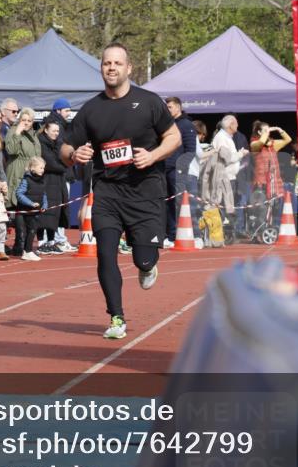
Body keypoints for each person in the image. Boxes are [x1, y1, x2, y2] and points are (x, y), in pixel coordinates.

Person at [60, 43, 181, 341]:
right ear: (101, 68)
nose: (111, 68)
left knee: (143, 260)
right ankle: (116, 316)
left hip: (145, 192)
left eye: (117, 63)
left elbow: (173, 136)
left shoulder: (150, 102)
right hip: (107, 193)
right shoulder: (91, 110)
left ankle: (147, 264)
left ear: (129, 69)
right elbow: (64, 146)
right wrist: (75, 155)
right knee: (105, 254)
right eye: (106, 63)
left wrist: (152, 156)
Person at [5, 108, 41, 256]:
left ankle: (26, 244)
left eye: (29, 121)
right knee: (20, 207)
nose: (26, 123)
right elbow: (11, 150)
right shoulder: (13, 131)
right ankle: (19, 244)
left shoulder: (34, 135)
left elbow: (38, 154)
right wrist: (18, 133)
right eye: (24, 120)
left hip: (31, 175)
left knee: (30, 209)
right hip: (18, 172)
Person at [163, 97, 197, 248]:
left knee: (179, 204)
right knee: (166, 204)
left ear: (178, 107)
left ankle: (192, 235)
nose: (167, 109)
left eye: (169, 107)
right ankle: (169, 236)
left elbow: (190, 150)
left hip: (178, 172)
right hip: (164, 171)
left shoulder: (186, 125)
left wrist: (180, 168)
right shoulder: (166, 125)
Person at [251, 121, 292, 225]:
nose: (268, 132)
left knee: (275, 207)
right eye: (265, 130)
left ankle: (273, 228)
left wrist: (280, 130)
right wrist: (266, 133)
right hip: (261, 183)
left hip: (274, 182)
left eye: (268, 130)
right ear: (259, 132)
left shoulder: (273, 145)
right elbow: (261, 142)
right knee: (262, 209)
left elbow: (288, 140)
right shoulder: (254, 144)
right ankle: (261, 229)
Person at [37, 120, 69, 253]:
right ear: (46, 130)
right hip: (45, 181)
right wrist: (64, 165)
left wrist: (63, 163)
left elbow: (63, 158)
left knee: (55, 213)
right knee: (44, 212)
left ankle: (51, 242)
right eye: (54, 131)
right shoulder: (40, 143)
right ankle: (41, 243)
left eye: (58, 131)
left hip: (57, 182)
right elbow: (50, 162)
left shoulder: (58, 143)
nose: (56, 133)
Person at [15, 156, 48, 261]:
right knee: (24, 232)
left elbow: (44, 195)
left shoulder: (42, 180)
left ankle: (27, 251)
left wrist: (44, 206)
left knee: (32, 230)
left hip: (35, 212)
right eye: (40, 168)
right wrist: (30, 203)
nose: (43, 170)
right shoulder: (26, 180)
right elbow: (19, 194)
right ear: (32, 168)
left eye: (43, 168)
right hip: (24, 211)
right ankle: (26, 251)